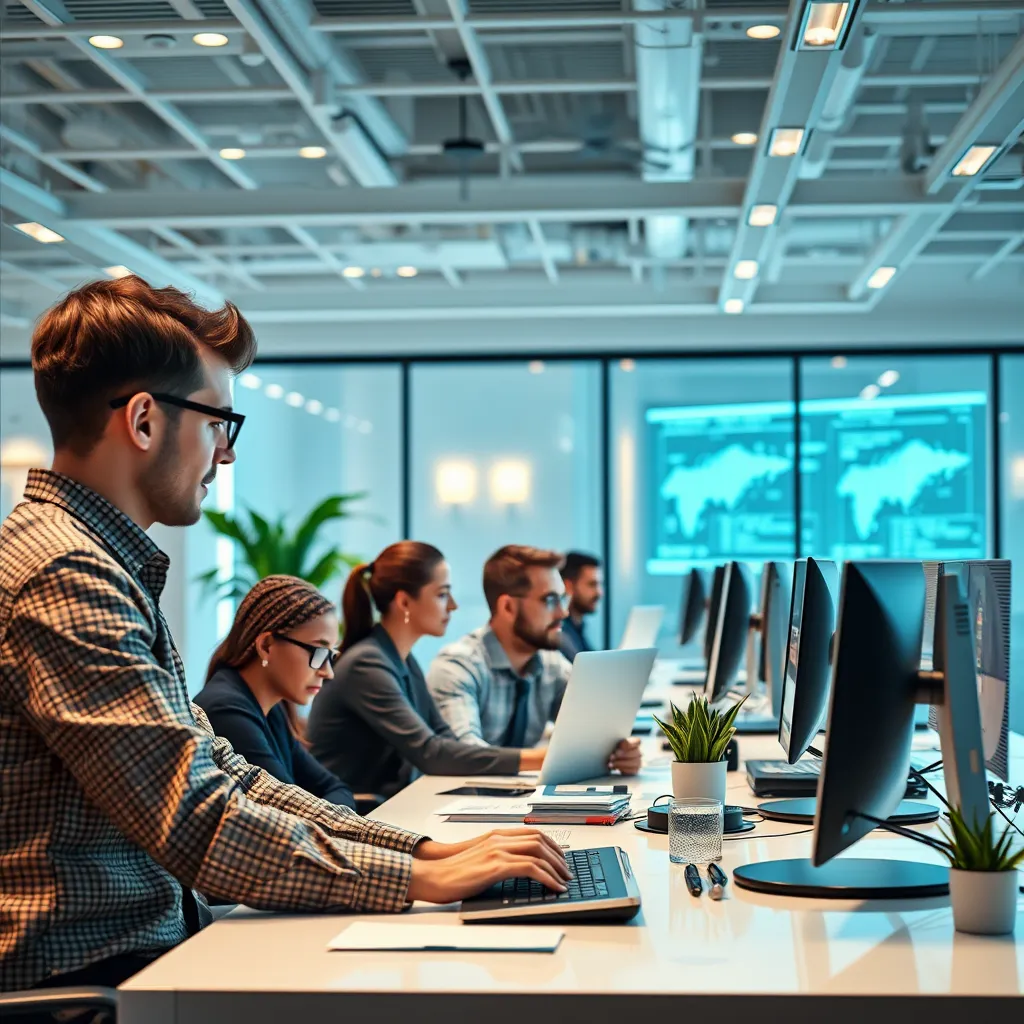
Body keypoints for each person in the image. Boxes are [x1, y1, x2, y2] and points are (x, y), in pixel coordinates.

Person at [0, 277, 570, 994]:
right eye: (218, 423)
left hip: (138, 964)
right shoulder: (65, 573)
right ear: (143, 421)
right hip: (87, 987)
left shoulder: (98, 564)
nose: (226, 454)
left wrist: (426, 852)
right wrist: (419, 878)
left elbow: (230, 776)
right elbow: (196, 819)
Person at [307, 542, 541, 798]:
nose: (453, 605)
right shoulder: (366, 664)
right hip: (352, 811)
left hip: (390, 804)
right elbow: (430, 753)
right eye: (442, 594)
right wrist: (537, 759)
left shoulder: (402, 659)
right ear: (404, 602)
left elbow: (444, 738)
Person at [427, 545, 641, 773]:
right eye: (549, 600)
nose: (562, 613)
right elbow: (464, 753)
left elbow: (595, 731)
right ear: (508, 607)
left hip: (518, 791)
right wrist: (546, 759)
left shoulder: (550, 665)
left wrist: (620, 752)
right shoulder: (458, 666)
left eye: (562, 599)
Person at [194, 575, 355, 810]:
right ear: (266, 646)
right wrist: (330, 814)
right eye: (318, 652)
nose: (327, 672)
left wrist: (327, 813)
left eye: (330, 655)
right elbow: (294, 814)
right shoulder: (226, 711)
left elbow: (335, 787)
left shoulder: (272, 708)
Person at [559, 551, 603, 662]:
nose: (599, 592)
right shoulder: (560, 632)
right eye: (592, 584)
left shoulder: (579, 628)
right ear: (568, 586)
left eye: (600, 584)